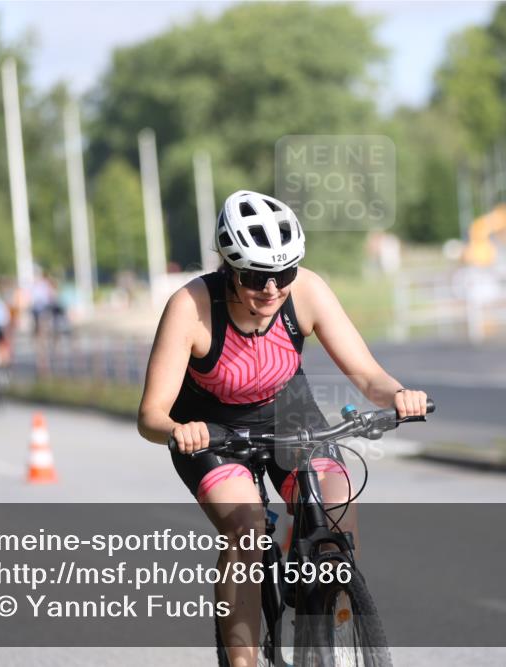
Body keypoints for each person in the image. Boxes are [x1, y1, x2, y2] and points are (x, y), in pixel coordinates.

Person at [137, 190, 428, 666]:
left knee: (336, 502)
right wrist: (180, 430)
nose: (271, 289)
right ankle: (244, 660)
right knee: (248, 531)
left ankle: (328, 627)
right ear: (229, 268)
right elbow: (151, 414)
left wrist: (398, 395)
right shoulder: (190, 307)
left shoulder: (308, 291)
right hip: (213, 428)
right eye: (255, 277)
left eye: (284, 273)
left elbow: (368, 375)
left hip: (289, 411)